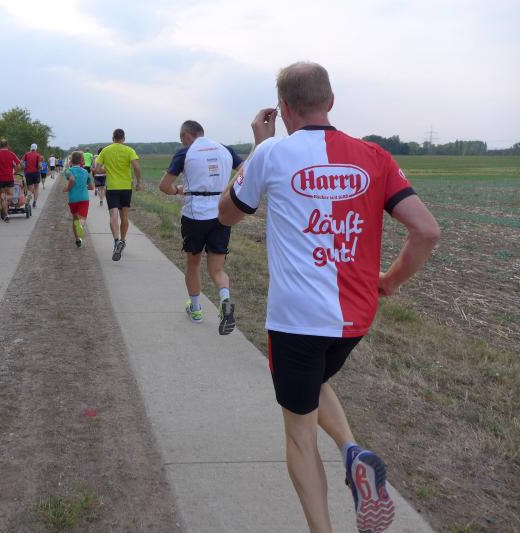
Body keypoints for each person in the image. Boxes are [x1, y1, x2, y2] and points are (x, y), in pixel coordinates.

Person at [218, 62, 440, 533]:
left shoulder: (272, 152)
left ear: (283, 108)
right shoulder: (375, 156)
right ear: (331, 102)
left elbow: (226, 214)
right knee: (314, 381)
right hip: (354, 319)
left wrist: (256, 148)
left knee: (300, 435)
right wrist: (390, 281)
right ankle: (352, 450)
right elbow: (426, 230)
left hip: (296, 321)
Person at [159, 120, 243, 334]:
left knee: (193, 264)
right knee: (217, 269)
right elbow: (245, 171)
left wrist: (178, 191)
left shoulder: (185, 152)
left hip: (195, 215)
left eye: (181, 138)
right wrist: (228, 190)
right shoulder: (225, 150)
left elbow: (164, 186)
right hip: (222, 213)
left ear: (186, 135)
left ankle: (195, 309)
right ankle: (225, 301)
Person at [94, 129, 142, 261]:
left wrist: (107, 169)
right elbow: (137, 167)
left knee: (113, 215)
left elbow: (97, 169)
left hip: (112, 187)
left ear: (112, 138)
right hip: (126, 187)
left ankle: (116, 241)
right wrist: (138, 182)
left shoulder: (105, 150)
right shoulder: (129, 150)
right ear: (124, 139)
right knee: (124, 216)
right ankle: (123, 240)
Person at [63, 151, 94, 248]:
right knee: (82, 219)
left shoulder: (67, 171)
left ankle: (77, 239)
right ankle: (80, 234)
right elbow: (91, 187)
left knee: (75, 218)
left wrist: (68, 188)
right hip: (84, 198)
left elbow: (71, 179)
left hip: (73, 199)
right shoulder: (85, 172)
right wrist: (83, 186)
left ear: (71, 160)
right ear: (81, 161)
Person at [0, 139, 21, 222]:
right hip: (9, 178)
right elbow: (19, 165)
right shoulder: (12, 154)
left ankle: (6, 215)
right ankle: (5, 206)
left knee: (2, 197)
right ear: (7, 145)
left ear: (0, 145)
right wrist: (15, 172)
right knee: (11, 195)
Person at [21, 143, 44, 208]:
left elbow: (21, 162)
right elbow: (39, 165)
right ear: (36, 148)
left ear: (30, 148)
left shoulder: (26, 154)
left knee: (30, 190)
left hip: (28, 173)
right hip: (36, 173)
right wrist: (41, 168)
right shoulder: (38, 155)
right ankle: (34, 202)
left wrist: (24, 167)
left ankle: (28, 202)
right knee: (36, 188)